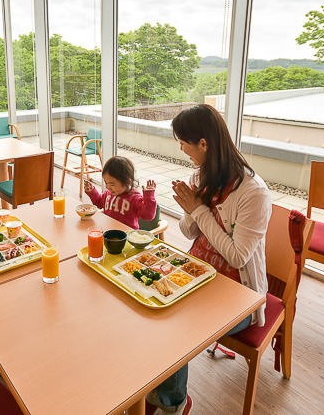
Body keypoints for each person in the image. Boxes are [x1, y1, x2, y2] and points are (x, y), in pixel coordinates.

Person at [146, 104, 272, 415]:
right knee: (149, 299)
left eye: (183, 141)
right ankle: (157, 386)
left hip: (238, 293)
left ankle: (173, 402)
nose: (181, 148)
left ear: (204, 143)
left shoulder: (253, 192)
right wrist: (191, 208)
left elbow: (239, 256)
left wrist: (200, 209)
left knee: (175, 322)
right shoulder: (202, 175)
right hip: (198, 271)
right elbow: (190, 233)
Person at [83, 155, 157, 230]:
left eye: (112, 184)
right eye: (106, 182)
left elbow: (148, 216)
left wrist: (149, 197)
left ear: (127, 182)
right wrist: (92, 191)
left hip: (126, 236)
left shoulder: (135, 198)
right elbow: (99, 202)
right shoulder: (108, 193)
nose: (108, 187)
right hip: (108, 231)